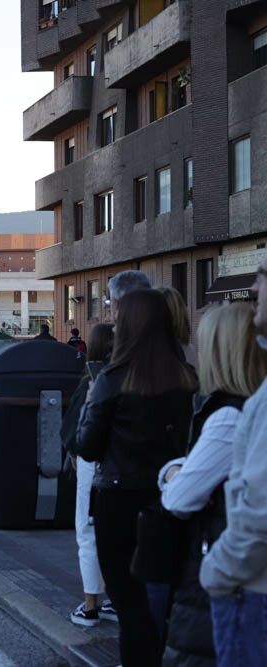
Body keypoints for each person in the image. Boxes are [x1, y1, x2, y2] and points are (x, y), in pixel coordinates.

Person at [77, 288, 198, 666]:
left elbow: (88, 446)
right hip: (169, 499)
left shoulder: (113, 380)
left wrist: (90, 402)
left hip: (118, 501)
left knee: (130, 605)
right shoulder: (187, 377)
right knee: (164, 597)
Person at [157, 302, 267, 666]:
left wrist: (173, 474)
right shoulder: (250, 406)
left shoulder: (226, 417)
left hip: (224, 583)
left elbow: (179, 498)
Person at [200, 253, 267, 666]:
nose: (255, 288)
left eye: (264, 277)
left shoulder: (231, 413)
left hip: (252, 593)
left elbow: (259, 513)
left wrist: (218, 572)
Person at [62, 323, 117, 627]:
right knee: (116, 534)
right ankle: (117, 599)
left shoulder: (93, 381)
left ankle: (90, 604)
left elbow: (75, 427)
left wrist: (73, 450)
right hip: (123, 466)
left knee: (87, 530)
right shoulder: (130, 376)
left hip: (92, 462)